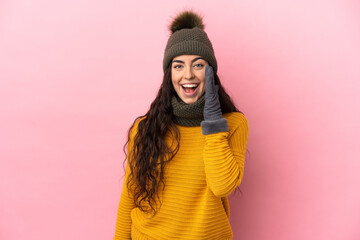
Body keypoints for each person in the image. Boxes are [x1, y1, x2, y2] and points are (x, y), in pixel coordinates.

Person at [113, 10, 249, 240]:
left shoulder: (233, 124)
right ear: (169, 74)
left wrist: (213, 121)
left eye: (198, 65)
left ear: (210, 72)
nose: (188, 75)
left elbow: (222, 186)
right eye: (178, 66)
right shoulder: (146, 128)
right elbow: (130, 195)